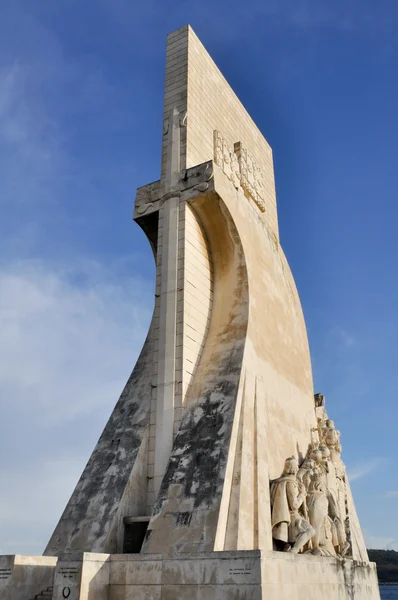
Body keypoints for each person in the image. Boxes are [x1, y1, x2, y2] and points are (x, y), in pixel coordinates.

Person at [270, 456, 315, 553]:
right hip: (292, 516)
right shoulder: (290, 483)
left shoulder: (282, 481)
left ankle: (290, 547)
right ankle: (294, 550)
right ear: (295, 468)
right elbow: (294, 505)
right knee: (310, 531)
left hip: (289, 515)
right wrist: (302, 494)